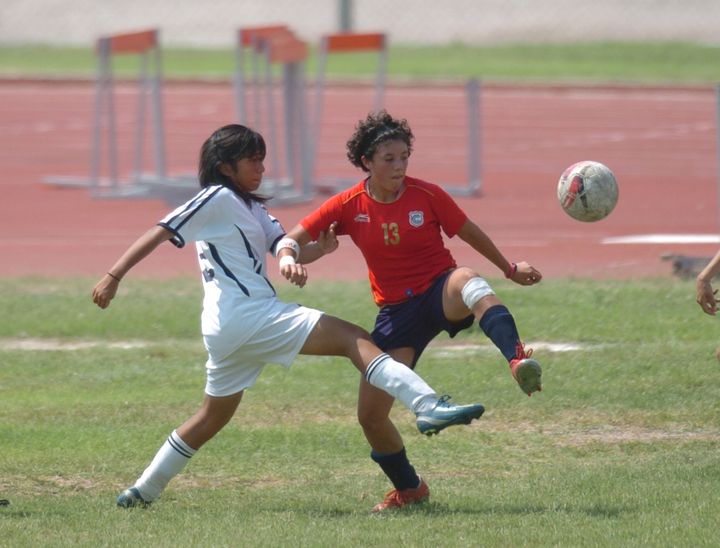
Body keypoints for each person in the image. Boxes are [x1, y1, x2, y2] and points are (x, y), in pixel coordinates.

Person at [91, 124, 485, 509]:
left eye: (262, 159)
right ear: (225, 167)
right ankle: (426, 404)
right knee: (355, 339)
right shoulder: (216, 196)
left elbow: (284, 246)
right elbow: (162, 230)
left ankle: (142, 491)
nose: (261, 168)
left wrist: (316, 251)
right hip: (249, 315)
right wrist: (113, 275)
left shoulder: (252, 207)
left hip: (227, 327)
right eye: (252, 160)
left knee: (212, 416)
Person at [280, 111, 543, 512]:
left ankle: (516, 358)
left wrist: (509, 269)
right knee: (370, 416)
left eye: (404, 157)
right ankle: (410, 489)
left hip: (439, 291)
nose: (399, 166)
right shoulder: (349, 204)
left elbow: (469, 231)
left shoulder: (428, 195)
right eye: (389, 158)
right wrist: (289, 258)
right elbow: (293, 239)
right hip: (396, 313)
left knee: (467, 279)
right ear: (366, 161)